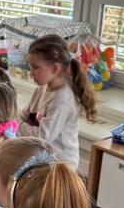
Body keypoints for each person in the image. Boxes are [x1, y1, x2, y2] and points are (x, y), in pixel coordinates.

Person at [17, 34, 97, 169]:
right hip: (43, 160)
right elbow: (23, 116)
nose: (31, 73)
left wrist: (16, 126)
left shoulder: (62, 99)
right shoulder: (40, 90)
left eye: (35, 67)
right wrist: (16, 123)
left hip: (61, 167)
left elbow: (43, 136)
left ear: (55, 68)